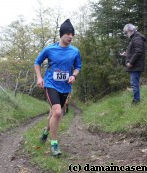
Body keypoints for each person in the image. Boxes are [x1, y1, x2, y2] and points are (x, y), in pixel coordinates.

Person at [34, 19, 82, 156]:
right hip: (51, 84)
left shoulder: (75, 51)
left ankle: (45, 132)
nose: (70, 36)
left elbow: (78, 66)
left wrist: (74, 75)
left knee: (53, 114)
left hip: (65, 87)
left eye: (72, 34)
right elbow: (37, 62)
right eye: (67, 33)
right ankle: (54, 144)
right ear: (61, 34)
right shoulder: (49, 49)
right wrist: (39, 77)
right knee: (57, 112)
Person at [120, 24, 147, 105]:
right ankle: (136, 100)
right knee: (134, 83)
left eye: (125, 32)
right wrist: (126, 54)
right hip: (135, 65)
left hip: (135, 66)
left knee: (134, 84)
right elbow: (135, 51)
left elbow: (139, 52)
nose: (126, 34)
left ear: (129, 30)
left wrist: (130, 63)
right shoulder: (135, 38)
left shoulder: (137, 38)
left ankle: (136, 101)